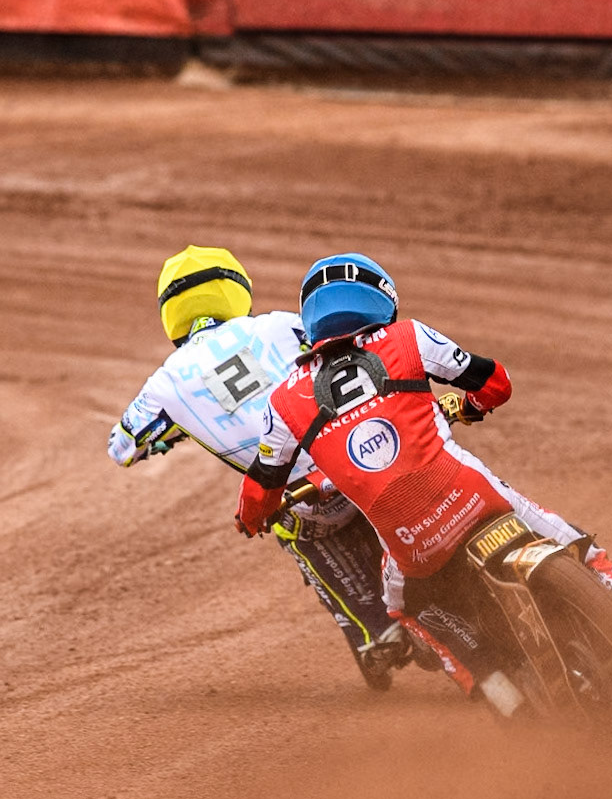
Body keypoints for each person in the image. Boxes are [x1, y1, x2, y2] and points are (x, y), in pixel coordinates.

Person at [234, 253, 612, 717]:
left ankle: (501, 694)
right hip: (477, 501)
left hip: (414, 550)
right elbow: (495, 382)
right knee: (584, 552)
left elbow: (259, 490)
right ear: (382, 301)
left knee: (402, 609)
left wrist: (252, 519)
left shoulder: (283, 401)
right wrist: (472, 407)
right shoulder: (408, 337)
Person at [109, 245, 411, 689]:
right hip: (358, 458)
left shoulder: (163, 385)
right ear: (237, 290)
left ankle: (370, 628)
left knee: (290, 526)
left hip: (302, 501)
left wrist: (169, 434)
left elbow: (122, 447)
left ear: (170, 313)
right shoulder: (279, 324)